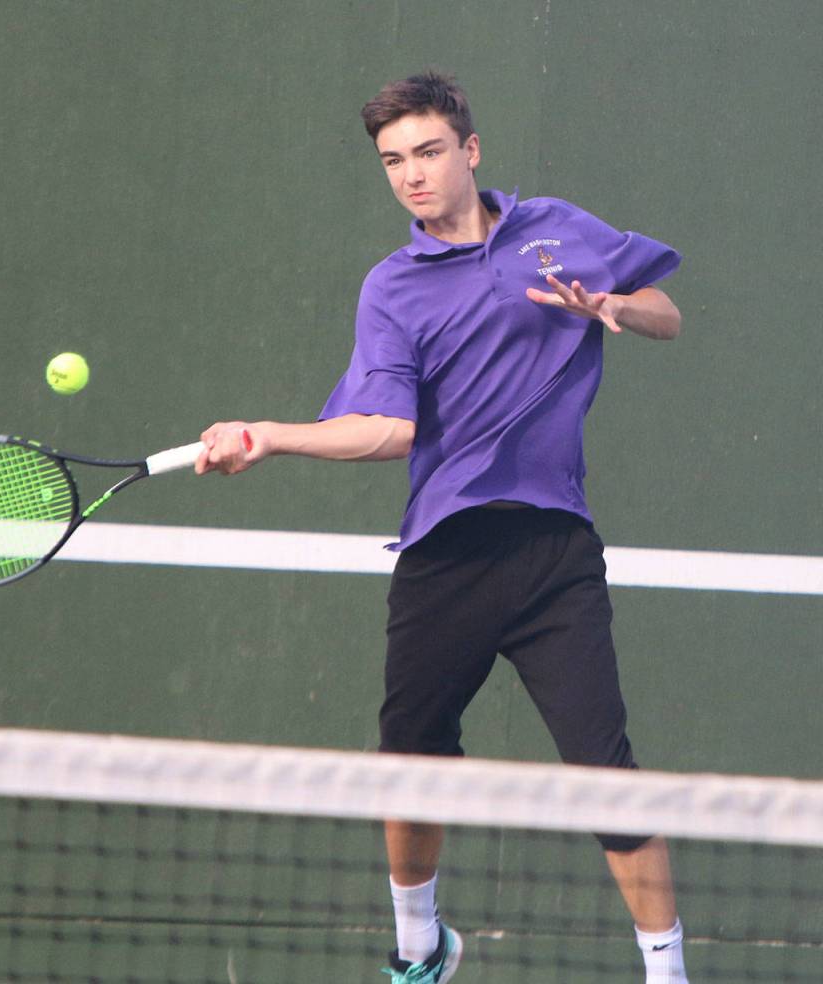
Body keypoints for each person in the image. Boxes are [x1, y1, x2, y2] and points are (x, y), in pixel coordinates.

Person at [197, 71, 688, 984]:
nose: (412, 175)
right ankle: (422, 947)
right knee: (410, 760)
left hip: (553, 549)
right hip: (446, 554)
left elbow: (666, 311)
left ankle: (668, 973)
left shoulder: (556, 228)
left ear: (470, 150)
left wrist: (615, 308)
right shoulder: (392, 289)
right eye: (393, 161)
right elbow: (387, 428)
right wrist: (270, 436)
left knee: (605, 771)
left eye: (427, 152)